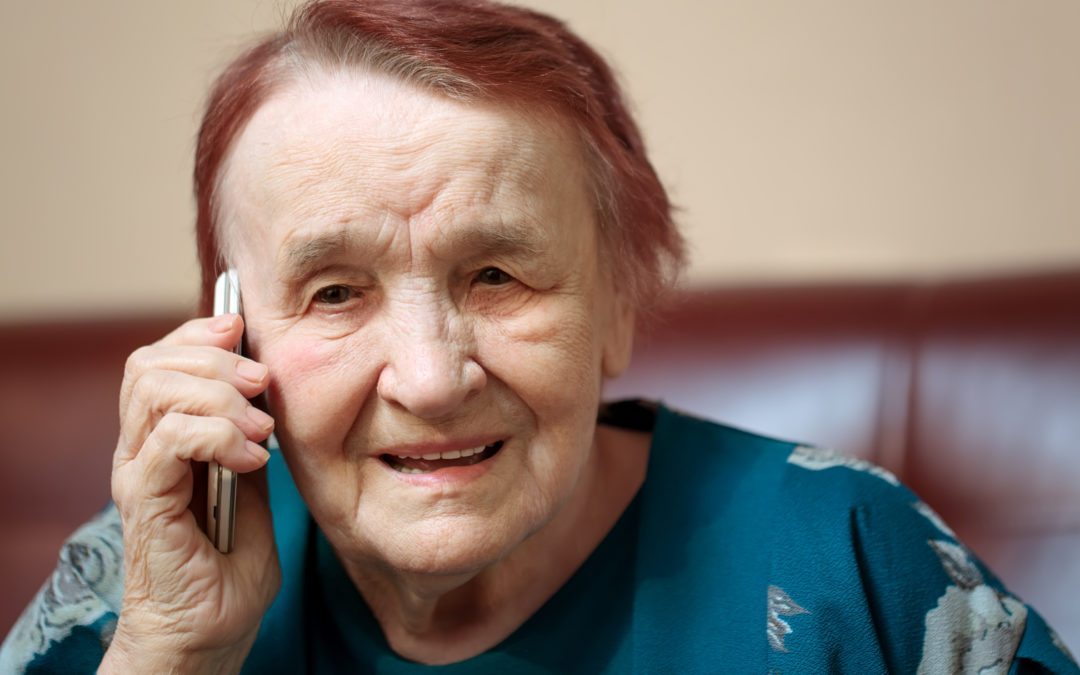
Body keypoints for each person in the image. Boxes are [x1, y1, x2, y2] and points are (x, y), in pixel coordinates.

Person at [1, 1, 1077, 672]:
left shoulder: (848, 555)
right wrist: (172, 658)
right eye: (334, 293)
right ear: (233, 332)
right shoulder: (149, 578)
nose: (428, 379)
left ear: (617, 303)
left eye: (499, 275)